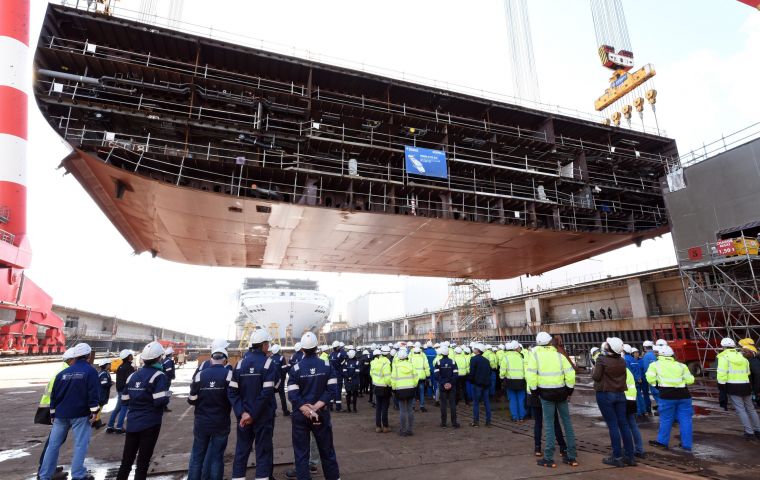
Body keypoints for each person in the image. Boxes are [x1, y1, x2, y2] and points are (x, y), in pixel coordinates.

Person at [39, 343, 99, 480]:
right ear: (88, 356)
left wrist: (53, 413)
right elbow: (93, 394)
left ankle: (44, 475)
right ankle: (78, 474)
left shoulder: (62, 374)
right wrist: (94, 412)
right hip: (80, 414)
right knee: (80, 444)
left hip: (60, 415)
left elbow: (54, 395)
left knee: (52, 446)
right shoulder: (91, 372)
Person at [287, 331, 341, 480]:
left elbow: (292, 394)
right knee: (326, 450)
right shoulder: (326, 365)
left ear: (302, 349)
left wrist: (306, 409)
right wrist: (315, 408)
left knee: (301, 452)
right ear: (317, 347)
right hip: (320, 415)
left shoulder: (296, 369)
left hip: (301, 416)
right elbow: (332, 390)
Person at [116, 341, 171, 480]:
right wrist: (167, 395)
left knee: (126, 462)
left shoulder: (133, 376)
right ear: (159, 358)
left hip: (133, 423)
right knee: (143, 463)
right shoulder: (159, 376)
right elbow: (160, 401)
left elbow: (124, 399)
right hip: (150, 424)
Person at [229, 329, 278, 480]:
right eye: (267, 344)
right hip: (262, 417)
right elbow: (267, 393)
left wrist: (242, 413)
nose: (268, 346)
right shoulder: (269, 363)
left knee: (241, 451)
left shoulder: (239, 364)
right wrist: (253, 414)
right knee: (263, 452)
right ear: (263, 345)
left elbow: (232, 392)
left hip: (244, 418)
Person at [526, 332, 578, 468]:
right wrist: (569, 390)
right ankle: (571, 456)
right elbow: (570, 374)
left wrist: (535, 391)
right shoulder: (559, 356)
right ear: (550, 342)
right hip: (561, 392)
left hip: (546, 394)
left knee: (549, 424)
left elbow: (531, 376)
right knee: (567, 423)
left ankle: (548, 458)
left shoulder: (535, 356)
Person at [187, 344, 232, 480]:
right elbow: (232, 397)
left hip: (202, 422)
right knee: (217, 458)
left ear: (211, 359)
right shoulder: (229, 374)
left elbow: (192, 399)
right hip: (221, 422)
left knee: (197, 458)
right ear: (225, 360)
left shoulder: (200, 375)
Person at [592, 338, 635, 467]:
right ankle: (629, 456)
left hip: (606, 394)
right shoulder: (622, 361)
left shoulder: (601, 360)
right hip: (620, 394)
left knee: (613, 425)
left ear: (608, 348)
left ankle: (616, 457)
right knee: (624, 424)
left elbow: (596, 377)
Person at [645, 345, 695, 452]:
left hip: (666, 395)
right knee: (686, 420)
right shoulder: (681, 365)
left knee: (666, 419)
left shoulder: (655, 365)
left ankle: (662, 442)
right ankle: (687, 444)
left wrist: (657, 385)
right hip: (684, 395)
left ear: (660, 354)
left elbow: (650, 378)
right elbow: (690, 380)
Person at [717, 337, 760, 439]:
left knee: (741, 410)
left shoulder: (724, 357)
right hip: (746, 386)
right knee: (751, 409)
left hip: (733, 387)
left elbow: (721, 374)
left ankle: (749, 432)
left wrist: (721, 387)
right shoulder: (743, 358)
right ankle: (758, 430)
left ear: (723, 347)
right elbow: (748, 373)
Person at [107, 349, 135, 434]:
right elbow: (130, 380)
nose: (132, 356)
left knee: (117, 408)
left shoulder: (120, 366)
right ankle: (119, 427)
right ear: (128, 357)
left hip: (119, 390)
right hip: (125, 390)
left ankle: (110, 426)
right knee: (124, 408)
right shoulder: (129, 367)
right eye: (130, 355)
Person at [391, 347, 417, 436]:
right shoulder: (411, 365)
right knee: (410, 410)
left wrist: (394, 389)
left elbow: (393, 379)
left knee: (402, 411)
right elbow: (416, 377)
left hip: (400, 390)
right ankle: (410, 430)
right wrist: (413, 385)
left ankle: (402, 430)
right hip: (410, 389)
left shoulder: (396, 367)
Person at [500, 340, 527, 422]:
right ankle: (522, 416)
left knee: (512, 400)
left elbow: (503, 370)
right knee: (521, 399)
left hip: (510, 381)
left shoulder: (506, 358)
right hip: (521, 381)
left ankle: (515, 417)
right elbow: (525, 368)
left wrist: (501, 377)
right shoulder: (521, 356)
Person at [434, 345, 459, 428]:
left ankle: (444, 423)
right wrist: (450, 383)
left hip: (442, 387)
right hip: (451, 386)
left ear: (441, 354)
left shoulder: (438, 362)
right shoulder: (453, 362)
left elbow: (437, 376)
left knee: (443, 405)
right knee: (452, 405)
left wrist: (444, 383)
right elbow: (456, 374)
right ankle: (454, 423)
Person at [624, 366, 646, 459]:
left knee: (624, 427)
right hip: (632, 398)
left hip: (622, 399)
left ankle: (628, 451)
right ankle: (639, 450)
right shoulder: (626, 369)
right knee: (633, 425)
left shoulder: (615, 368)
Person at [469, 343, 492, 427]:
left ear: (478, 350)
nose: (473, 349)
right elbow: (489, 372)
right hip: (486, 384)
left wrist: (471, 381)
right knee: (487, 403)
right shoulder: (486, 360)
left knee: (476, 403)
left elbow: (472, 372)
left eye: (475, 348)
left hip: (477, 384)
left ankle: (476, 422)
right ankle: (488, 422)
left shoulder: (473, 359)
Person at [371, 347, 392, 433]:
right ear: (387, 354)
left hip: (376, 386)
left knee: (378, 407)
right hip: (384, 387)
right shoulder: (386, 363)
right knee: (384, 408)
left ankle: (378, 426)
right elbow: (387, 378)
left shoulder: (375, 362)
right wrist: (391, 384)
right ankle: (385, 426)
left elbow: (371, 374)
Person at [270, 344, 292, 417]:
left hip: (272, 381)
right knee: (282, 397)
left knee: (271, 397)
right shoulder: (281, 358)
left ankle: (273, 412)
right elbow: (283, 370)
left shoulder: (269, 358)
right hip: (280, 381)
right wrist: (283, 379)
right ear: (278, 350)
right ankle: (285, 411)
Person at [93, 358, 113, 429]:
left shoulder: (101, 372)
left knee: (98, 408)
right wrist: (111, 383)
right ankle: (96, 422)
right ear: (106, 365)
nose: (110, 365)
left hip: (100, 393)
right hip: (102, 393)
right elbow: (104, 383)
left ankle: (96, 421)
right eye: (109, 364)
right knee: (99, 408)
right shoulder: (104, 374)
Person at [409, 345, 430, 412]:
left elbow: (409, 366)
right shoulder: (423, 356)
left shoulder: (411, 357)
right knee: (421, 392)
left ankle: (412, 407)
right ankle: (422, 406)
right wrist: (428, 375)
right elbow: (426, 366)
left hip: (413, 377)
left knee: (413, 392)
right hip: (421, 377)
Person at [328, 341, 347, 412]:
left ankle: (330, 406)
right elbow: (343, 365)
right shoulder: (340, 355)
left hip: (331, 375)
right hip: (338, 374)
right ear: (338, 347)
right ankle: (338, 407)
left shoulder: (330, 355)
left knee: (332, 390)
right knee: (338, 391)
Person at [639, 340, 656, 415]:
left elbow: (646, 368)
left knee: (656, 394)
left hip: (652, 378)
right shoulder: (655, 354)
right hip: (660, 377)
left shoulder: (646, 356)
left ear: (645, 347)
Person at [342, 349, 361, 413]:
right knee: (355, 395)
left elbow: (344, 371)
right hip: (355, 381)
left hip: (348, 381)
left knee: (348, 394)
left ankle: (348, 408)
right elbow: (357, 372)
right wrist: (351, 377)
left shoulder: (346, 362)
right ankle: (354, 408)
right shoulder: (357, 362)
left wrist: (348, 377)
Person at [162, 347, 176, 412]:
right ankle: (164, 406)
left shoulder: (164, 360)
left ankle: (164, 405)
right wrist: (172, 376)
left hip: (164, 378)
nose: (173, 354)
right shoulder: (168, 361)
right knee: (166, 392)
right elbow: (169, 371)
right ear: (170, 354)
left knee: (164, 392)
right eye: (172, 353)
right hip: (167, 379)